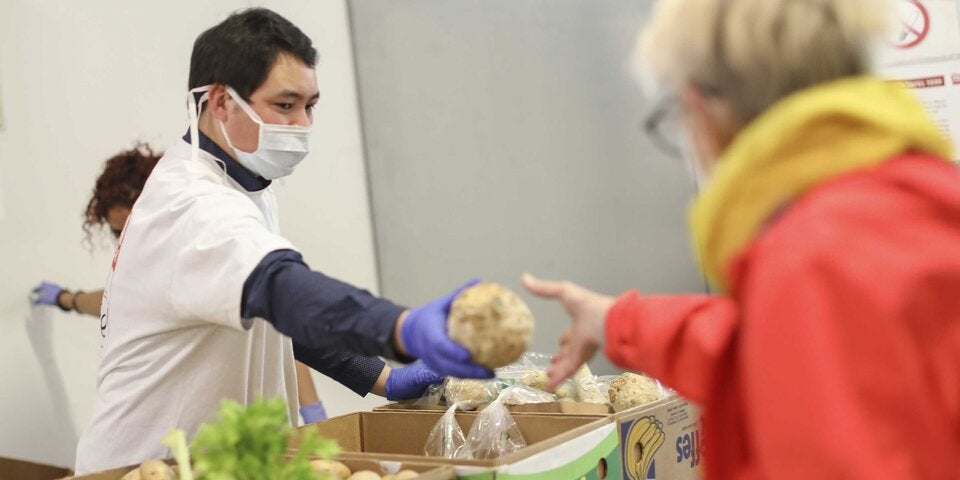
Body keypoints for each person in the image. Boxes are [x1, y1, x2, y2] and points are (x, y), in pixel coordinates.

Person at [523, 0, 960, 478]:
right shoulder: (906, 202)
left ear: (705, 111)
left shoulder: (812, 255)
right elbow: (760, 353)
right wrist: (614, 322)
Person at [74, 8, 490, 473]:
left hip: (222, 461)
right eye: (285, 105)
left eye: (310, 106)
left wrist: (382, 378)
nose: (303, 125)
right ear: (220, 102)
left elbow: (272, 313)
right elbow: (283, 290)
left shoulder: (244, 181)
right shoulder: (191, 206)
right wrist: (400, 327)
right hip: (149, 465)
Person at [29, 145, 354, 426]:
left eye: (127, 226)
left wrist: (312, 411)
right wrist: (66, 299)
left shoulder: (203, 250)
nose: (124, 240)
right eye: (117, 233)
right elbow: (114, 302)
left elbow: (276, 326)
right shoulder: (147, 266)